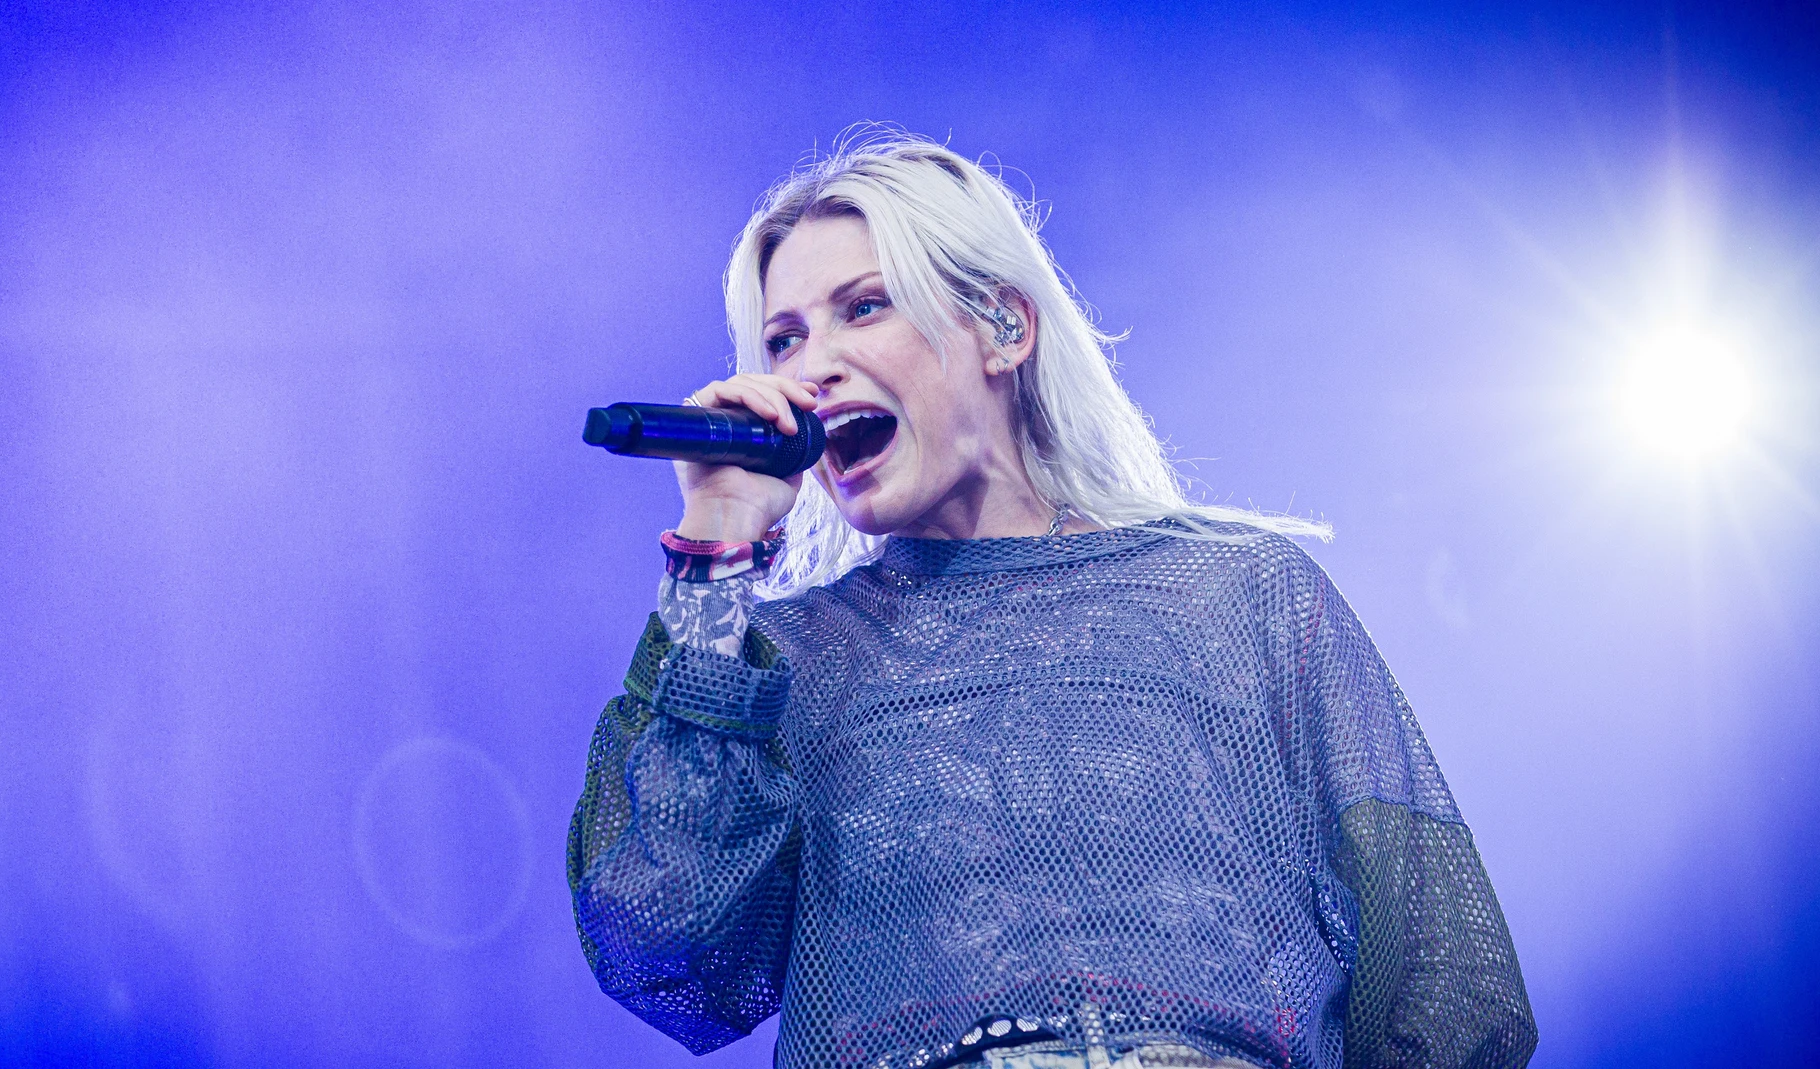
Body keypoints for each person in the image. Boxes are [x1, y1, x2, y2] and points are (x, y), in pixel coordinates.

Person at [567, 132, 1536, 1069]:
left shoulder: (1242, 594)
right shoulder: (782, 660)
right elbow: (670, 950)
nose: (807, 366)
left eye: (863, 308)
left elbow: (1442, 982)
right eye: (784, 336)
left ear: (1003, 328)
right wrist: (717, 544)